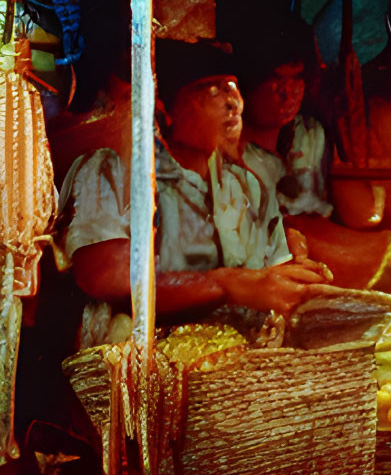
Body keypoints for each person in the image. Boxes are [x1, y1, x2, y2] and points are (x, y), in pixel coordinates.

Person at [59, 40, 331, 346]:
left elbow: (269, 275)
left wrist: (293, 272)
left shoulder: (245, 186)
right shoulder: (112, 170)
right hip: (136, 366)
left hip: (231, 364)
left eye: (233, 88)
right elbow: (104, 274)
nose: (233, 103)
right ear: (165, 110)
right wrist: (225, 284)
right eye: (212, 90)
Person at [239, 14, 332, 222]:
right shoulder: (231, 155)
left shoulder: (309, 135)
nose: (289, 94)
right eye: (278, 79)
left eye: (297, 78)